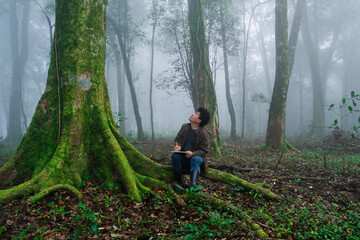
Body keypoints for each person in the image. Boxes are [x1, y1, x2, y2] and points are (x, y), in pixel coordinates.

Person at [171, 107, 210, 193]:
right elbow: (177, 140)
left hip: (196, 159)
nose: (193, 114)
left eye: (196, 114)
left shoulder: (203, 133)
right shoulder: (185, 127)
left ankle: (193, 186)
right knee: (175, 157)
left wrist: (193, 153)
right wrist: (178, 146)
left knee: (195, 159)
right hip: (183, 157)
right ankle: (180, 184)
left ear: (199, 120)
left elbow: (204, 151)